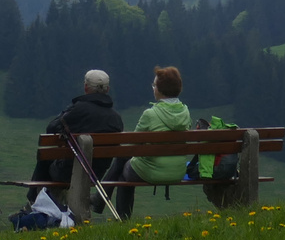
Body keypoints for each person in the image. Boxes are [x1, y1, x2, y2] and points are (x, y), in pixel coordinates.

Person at [26, 69, 124, 203]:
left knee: (46, 157)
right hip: (96, 174)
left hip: (68, 172)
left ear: (85, 87)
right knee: (49, 156)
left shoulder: (78, 110)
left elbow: (51, 128)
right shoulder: (116, 118)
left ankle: (34, 201)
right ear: (107, 89)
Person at [106, 65, 190, 220]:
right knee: (123, 162)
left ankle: (121, 219)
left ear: (160, 89)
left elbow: (132, 147)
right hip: (178, 171)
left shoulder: (150, 114)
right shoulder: (185, 112)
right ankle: (101, 198)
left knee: (123, 170)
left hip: (152, 171)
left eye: (154, 85)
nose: (153, 88)